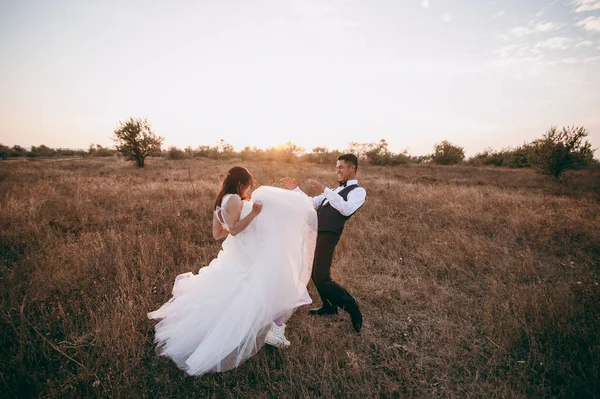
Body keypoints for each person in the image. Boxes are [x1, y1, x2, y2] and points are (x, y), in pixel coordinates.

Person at [148, 166, 317, 376]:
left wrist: (235, 223)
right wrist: (254, 214)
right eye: (248, 184)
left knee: (232, 292)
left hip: (236, 253)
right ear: (241, 183)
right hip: (246, 254)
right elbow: (236, 230)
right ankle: (270, 331)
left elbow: (217, 234)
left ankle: (273, 329)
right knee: (263, 285)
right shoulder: (235, 199)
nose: (249, 188)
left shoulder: (220, 201)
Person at [281, 154, 366, 333]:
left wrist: (325, 190)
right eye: (337, 167)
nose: (338, 170)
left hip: (328, 235)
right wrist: (296, 190)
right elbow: (311, 203)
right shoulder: (334, 190)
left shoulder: (358, 191)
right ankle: (329, 307)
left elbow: (346, 209)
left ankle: (352, 308)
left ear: (352, 168)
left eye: (341, 167)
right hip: (314, 232)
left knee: (322, 277)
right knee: (314, 273)